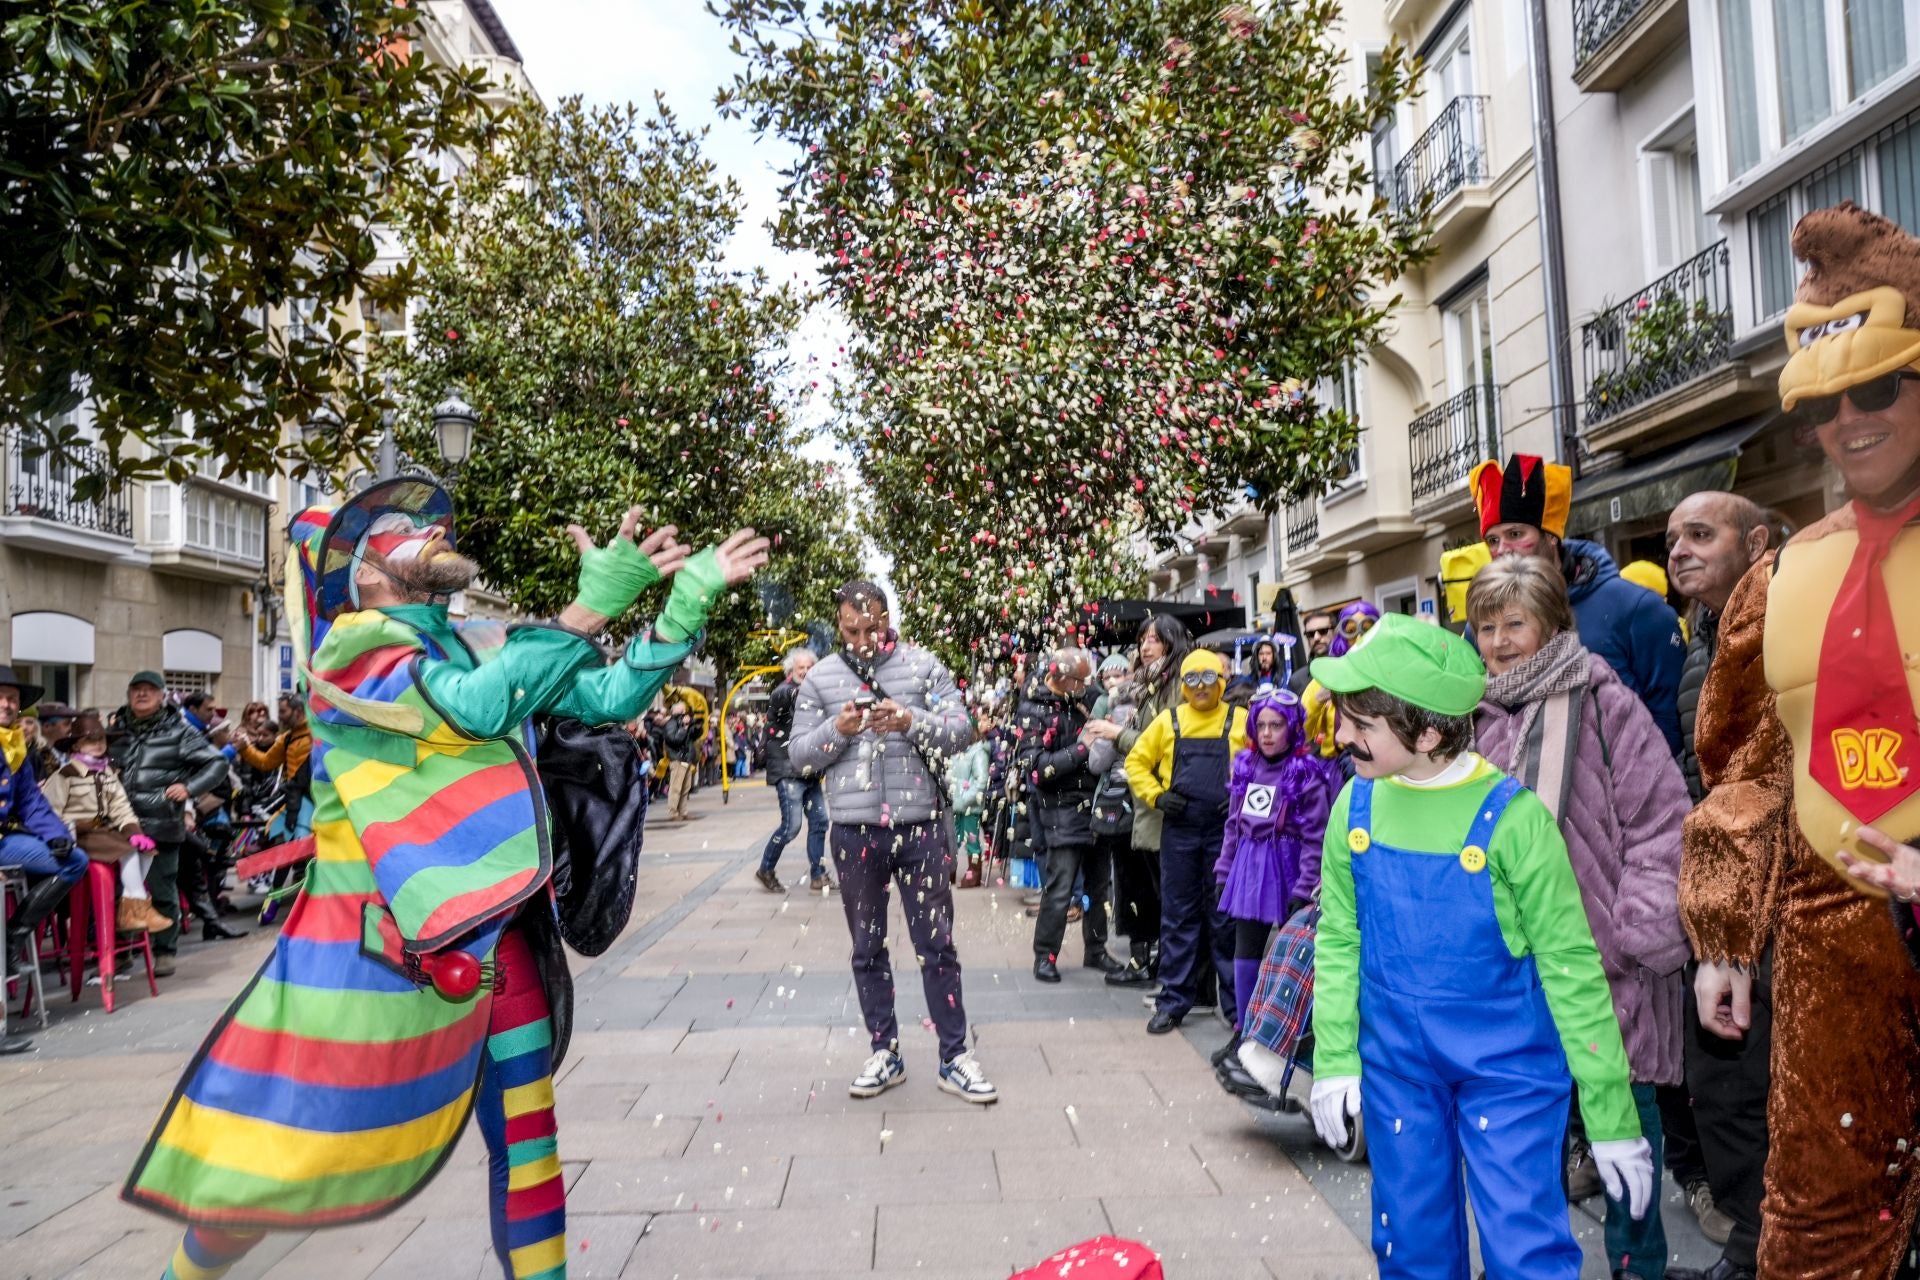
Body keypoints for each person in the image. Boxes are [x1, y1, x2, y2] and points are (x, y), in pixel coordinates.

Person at [123, 479, 768, 1280]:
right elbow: (475, 709)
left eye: (428, 522)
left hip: (498, 944)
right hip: (379, 964)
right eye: (399, 528)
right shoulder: (352, 660)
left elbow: (608, 696)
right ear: (363, 572)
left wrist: (683, 609)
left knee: (531, 1148)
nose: (428, 531)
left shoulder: (474, 642)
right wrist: (586, 611)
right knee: (281, 1153)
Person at [1682, 203, 1920, 1279]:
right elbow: (1749, 771)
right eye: (1825, 403)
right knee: (1824, 1224)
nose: (1849, 422)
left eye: (1877, 390)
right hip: (1830, 944)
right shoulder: (1780, 579)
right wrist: (1727, 937)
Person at [1307, 613, 1652, 1278]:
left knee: (1525, 1251)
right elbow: (1339, 939)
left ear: (1429, 732)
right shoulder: (1354, 808)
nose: (1342, 735)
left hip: (1511, 1076)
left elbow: (1572, 969)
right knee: (1410, 1248)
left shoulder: (1516, 822)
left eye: (1361, 723)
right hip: (1398, 1072)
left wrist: (1611, 1113)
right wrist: (1336, 1060)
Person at [1466, 557, 1701, 1280]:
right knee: (1521, 1140)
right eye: (1487, 625)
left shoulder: (1606, 704)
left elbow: (1663, 821)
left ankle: (1639, 1266)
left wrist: (1636, 931)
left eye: (1515, 623)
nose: (1500, 641)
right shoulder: (1469, 714)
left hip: (1607, 969)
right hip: (1506, 968)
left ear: (1554, 624)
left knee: (1628, 1133)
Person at [788, 580, 996, 1104]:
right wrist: (839, 728)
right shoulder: (821, 680)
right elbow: (799, 758)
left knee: (937, 946)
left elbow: (961, 729)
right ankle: (885, 1050)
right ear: (839, 625)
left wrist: (910, 720)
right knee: (866, 946)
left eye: (871, 627)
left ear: (887, 618)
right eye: (851, 629)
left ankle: (954, 1056)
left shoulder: (923, 666)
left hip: (920, 826)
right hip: (855, 831)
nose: (861, 638)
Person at [1667, 488, 1774, 1264]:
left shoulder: (1788, 620)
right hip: (1717, 884)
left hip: (1786, 885)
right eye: (1674, 538)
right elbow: (1707, 767)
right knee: (1721, 1077)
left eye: (1701, 534)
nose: (1680, 550)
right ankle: (1755, 1237)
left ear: (1757, 541)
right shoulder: (1699, 639)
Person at [1471, 453, 1687, 753]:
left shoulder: (1635, 609)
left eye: (1516, 534)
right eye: (1492, 541)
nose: (1503, 549)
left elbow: (1673, 733)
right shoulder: (1481, 631)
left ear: (1551, 539)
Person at [1124, 648, 1249, 1035]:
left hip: (1226, 834)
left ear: (1221, 682)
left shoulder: (1241, 720)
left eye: (1207, 678)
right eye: (1191, 679)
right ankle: (1173, 1000)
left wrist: (1244, 799)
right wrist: (1157, 796)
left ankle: (1235, 1006)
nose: (1199, 687)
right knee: (1177, 917)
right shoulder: (1167, 721)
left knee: (1225, 918)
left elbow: (1262, 765)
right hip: (1179, 831)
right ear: (1182, 685)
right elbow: (1135, 764)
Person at [1210, 688, 1337, 1064]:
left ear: (1292, 727)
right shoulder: (1246, 766)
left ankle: (1281, 1038)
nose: (1267, 733)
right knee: (1244, 951)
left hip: (1288, 867)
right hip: (1250, 868)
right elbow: (1233, 824)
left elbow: (1317, 834)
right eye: (1261, 725)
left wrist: (1306, 884)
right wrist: (1224, 867)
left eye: (1276, 725)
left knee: (1287, 957)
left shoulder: (1307, 773)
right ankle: (1245, 1032)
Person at [107, 671, 239, 974]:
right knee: (120, 890)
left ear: (161, 695)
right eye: (136, 689)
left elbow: (217, 762)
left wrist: (189, 788)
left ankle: (164, 950)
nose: (142, 694)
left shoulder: (179, 731)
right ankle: (122, 950)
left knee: (162, 888)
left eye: (149, 690)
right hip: (120, 824)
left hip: (162, 822)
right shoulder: (115, 731)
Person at [1098, 615, 1190, 989]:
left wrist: (1117, 734)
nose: (1145, 646)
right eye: (1142, 639)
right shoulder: (1150, 684)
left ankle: (1170, 977)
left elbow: (1163, 743)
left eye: (1155, 639)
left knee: (1170, 895)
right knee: (1150, 890)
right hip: (1147, 802)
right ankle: (1155, 966)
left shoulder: (1176, 684)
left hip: (1165, 801)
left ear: (1172, 642)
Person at [1017, 647, 1118, 982]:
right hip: (1059, 806)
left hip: (1094, 802)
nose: (1086, 686)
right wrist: (1082, 746)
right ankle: (1044, 956)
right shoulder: (1033, 708)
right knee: (1060, 887)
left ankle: (1096, 950)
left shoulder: (1084, 700)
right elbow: (1036, 768)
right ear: (1061, 678)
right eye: (1080, 680)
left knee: (1098, 885)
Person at [0, 664, 83, 1053]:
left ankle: (13, 937)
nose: (7, 703)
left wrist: (56, 838)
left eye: (13, 698)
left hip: (6, 842)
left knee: (75, 861)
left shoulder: (17, 745)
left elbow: (32, 804)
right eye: (0, 697)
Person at [40, 711, 169, 935]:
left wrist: (133, 830)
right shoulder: (65, 775)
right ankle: (136, 908)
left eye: (101, 739)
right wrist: (65, 830)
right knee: (125, 850)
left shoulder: (107, 773)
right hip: (76, 835)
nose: (98, 745)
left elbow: (121, 806)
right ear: (76, 746)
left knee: (145, 850)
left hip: (104, 830)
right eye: (90, 740)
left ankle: (131, 906)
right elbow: (50, 810)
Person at [758, 647, 830, 893]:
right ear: (791, 671)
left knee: (820, 821)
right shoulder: (783, 692)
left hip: (809, 771)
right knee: (791, 827)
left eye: (810, 667)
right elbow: (790, 697)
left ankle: (818, 875)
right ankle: (765, 869)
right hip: (788, 771)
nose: (807, 672)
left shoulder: (812, 694)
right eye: (802, 668)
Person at [662, 701, 697, 820]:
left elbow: (695, 735)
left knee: (685, 787)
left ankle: (683, 811)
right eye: (682, 710)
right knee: (676, 787)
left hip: (686, 757)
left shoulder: (681, 723)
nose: (684, 712)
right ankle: (673, 812)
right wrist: (684, 728)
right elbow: (674, 739)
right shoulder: (671, 723)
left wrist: (692, 725)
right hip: (677, 758)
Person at [1291, 611, 1335, 696]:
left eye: (1323, 631)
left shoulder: (1352, 668)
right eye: (1310, 634)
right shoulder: (1297, 679)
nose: (1316, 637)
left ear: (1335, 631)